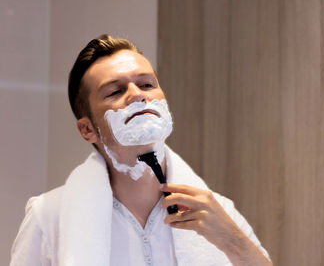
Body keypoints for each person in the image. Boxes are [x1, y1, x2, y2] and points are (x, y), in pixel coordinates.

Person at [10, 34, 272, 266]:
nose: (137, 95)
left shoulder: (216, 213)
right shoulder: (49, 218)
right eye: (115, 91)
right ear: (87, 130)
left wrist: (232, 240)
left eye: (147, 84)